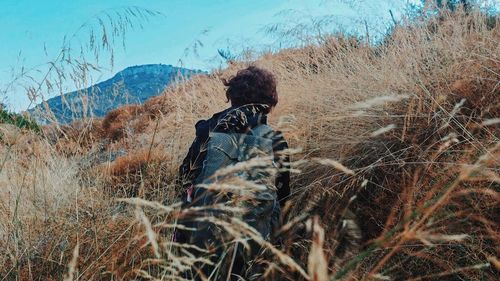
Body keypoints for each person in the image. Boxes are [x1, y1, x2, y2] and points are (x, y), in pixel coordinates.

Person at [176, 66, 290, 280]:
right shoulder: (274, 139)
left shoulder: (207, 132)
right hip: (252, 249)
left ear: (232, 96)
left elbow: (183, 180)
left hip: (201, 246)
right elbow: (283, 199)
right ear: (269, 102)